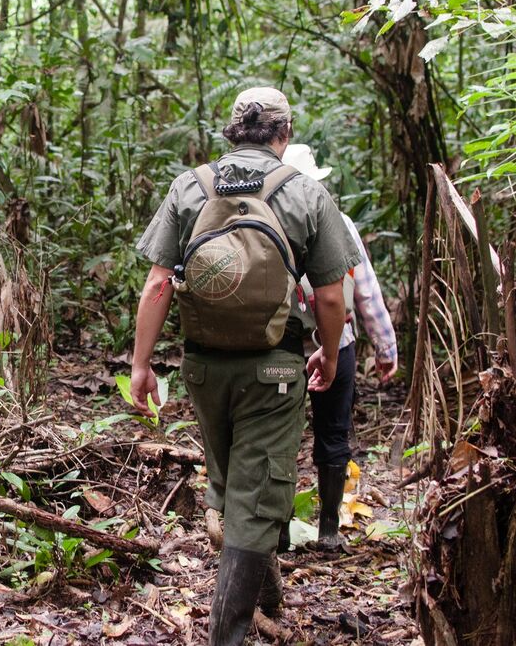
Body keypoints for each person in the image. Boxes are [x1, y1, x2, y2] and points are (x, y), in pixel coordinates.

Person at [130, 87, 362, 645]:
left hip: (204, 369)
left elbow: (159, 283)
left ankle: (268, 596)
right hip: (274, 371)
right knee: (256, 495)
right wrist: (329, 357)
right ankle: (226, 635)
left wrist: (140, 365)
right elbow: (332, 297)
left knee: (235, 481)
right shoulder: (305, 193)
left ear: (232, 132)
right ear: (284, 133)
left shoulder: (192, 187)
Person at [281, 144, 398, 549]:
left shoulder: (264, 220)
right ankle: (329, 531)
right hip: (338, 340)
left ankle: (278, 533)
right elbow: (364, 290)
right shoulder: (339, 221)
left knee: (278, 438)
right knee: (333, 433)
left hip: (279, 345)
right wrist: (386, 348)